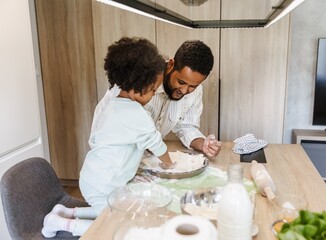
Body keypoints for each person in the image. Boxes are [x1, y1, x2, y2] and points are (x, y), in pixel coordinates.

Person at [41, 37, 176, 237]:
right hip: (103, 183)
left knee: (110, 210)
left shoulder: (112, 105)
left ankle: (68, 212)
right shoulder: (135, 114)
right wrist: (170, 165)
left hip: (95, 177)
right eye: (153, 90)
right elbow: (157, 145)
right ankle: (61, 224)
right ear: (138, 85)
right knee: (118, 225)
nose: (154, 95)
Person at [98, 40, 222, 157]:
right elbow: (105, 132)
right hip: (115, 158)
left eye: (193, 86)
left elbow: (186, 126)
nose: (184, 90)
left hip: (148, 158)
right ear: (171, 65)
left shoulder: (196, 91)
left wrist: (203, 144)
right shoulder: (138, 79)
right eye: (181, 82)